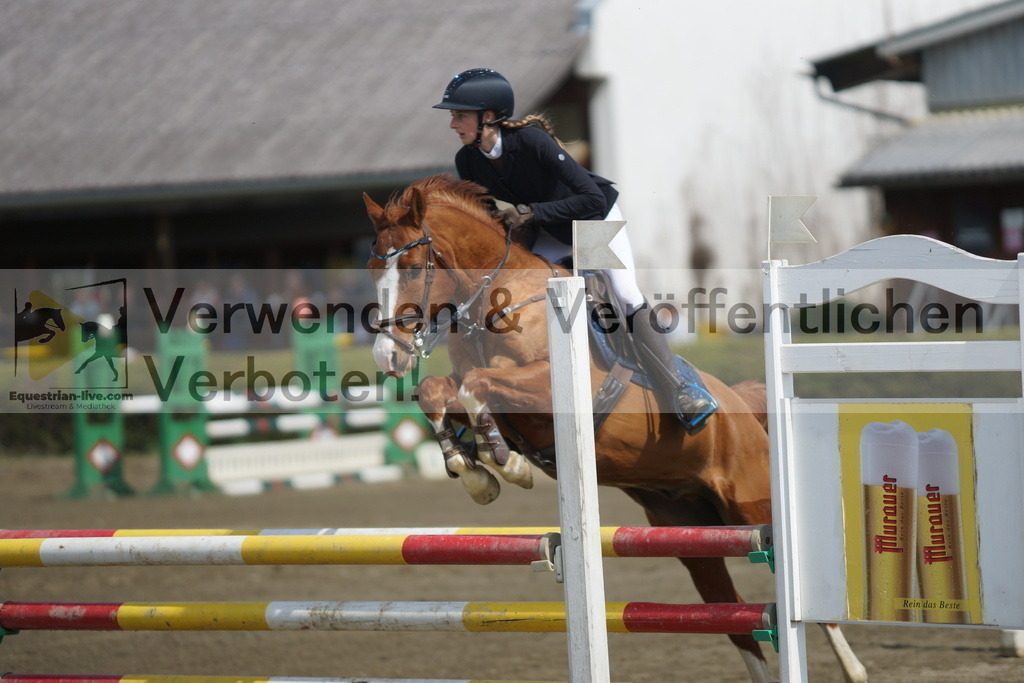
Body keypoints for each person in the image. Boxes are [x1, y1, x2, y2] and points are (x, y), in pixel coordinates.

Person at [433, 68, 716, 434]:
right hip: (547, 228)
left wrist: (531, 213)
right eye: (453, 116)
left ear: (488, 116)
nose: (453, 123)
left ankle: (678, 388)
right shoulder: (467, 161)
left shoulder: (532, 142)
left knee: (626, 294)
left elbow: (592, 198)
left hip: (593, 221)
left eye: (459, 115)